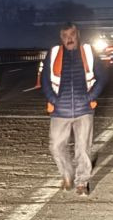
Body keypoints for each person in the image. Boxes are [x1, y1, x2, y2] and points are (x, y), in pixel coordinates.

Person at [43, 22, 106, 196]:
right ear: (60, 37)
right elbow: (45, 80)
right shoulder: (54, 53)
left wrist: (90, 97)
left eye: (71, 35)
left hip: (84, 109)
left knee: (83, 148)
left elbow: (102, 77)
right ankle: (67, 175)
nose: (68, 39)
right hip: (59, 110)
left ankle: (82, 182)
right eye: (65, 36)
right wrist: (53, 99)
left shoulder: (88, 52)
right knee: (56, 146)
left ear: (77, 34)